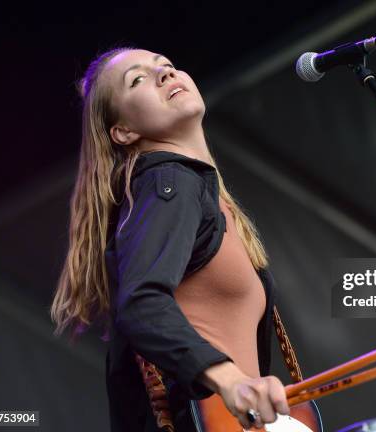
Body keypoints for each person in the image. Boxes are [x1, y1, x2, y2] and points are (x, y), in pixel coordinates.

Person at [50, 47, 291, 431]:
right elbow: (142, 302)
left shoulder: (198, 192)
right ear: (124, 131)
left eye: (168, 66)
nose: (164, 74)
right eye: (138, 79)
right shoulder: (170, 183)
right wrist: (230, 380)